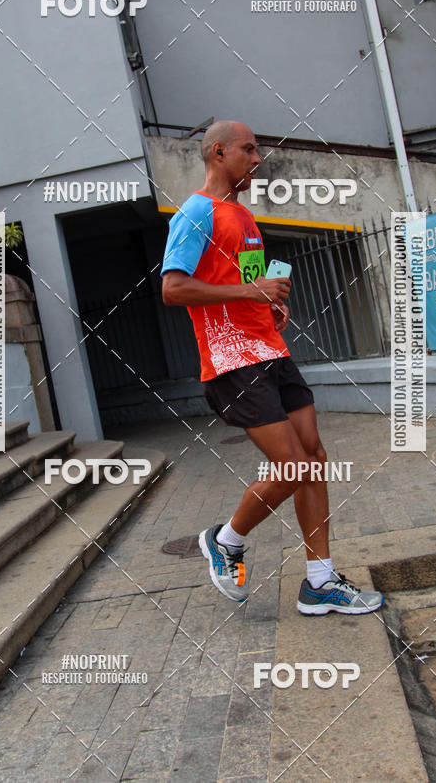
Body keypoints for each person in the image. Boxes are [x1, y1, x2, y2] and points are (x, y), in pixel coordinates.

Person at [160, 120, 383, 615]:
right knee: (294, 465)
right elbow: (172, 289)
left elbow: (252, 285)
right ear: (219, 153)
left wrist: (270, 306)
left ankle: (320, 583)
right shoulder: (197, 212)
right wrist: (249, 292)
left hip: (270, 350)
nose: (257, 158)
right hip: (231, 360)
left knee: (314, 457)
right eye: (249, 149)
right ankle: (226, 539)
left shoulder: (242, 216)